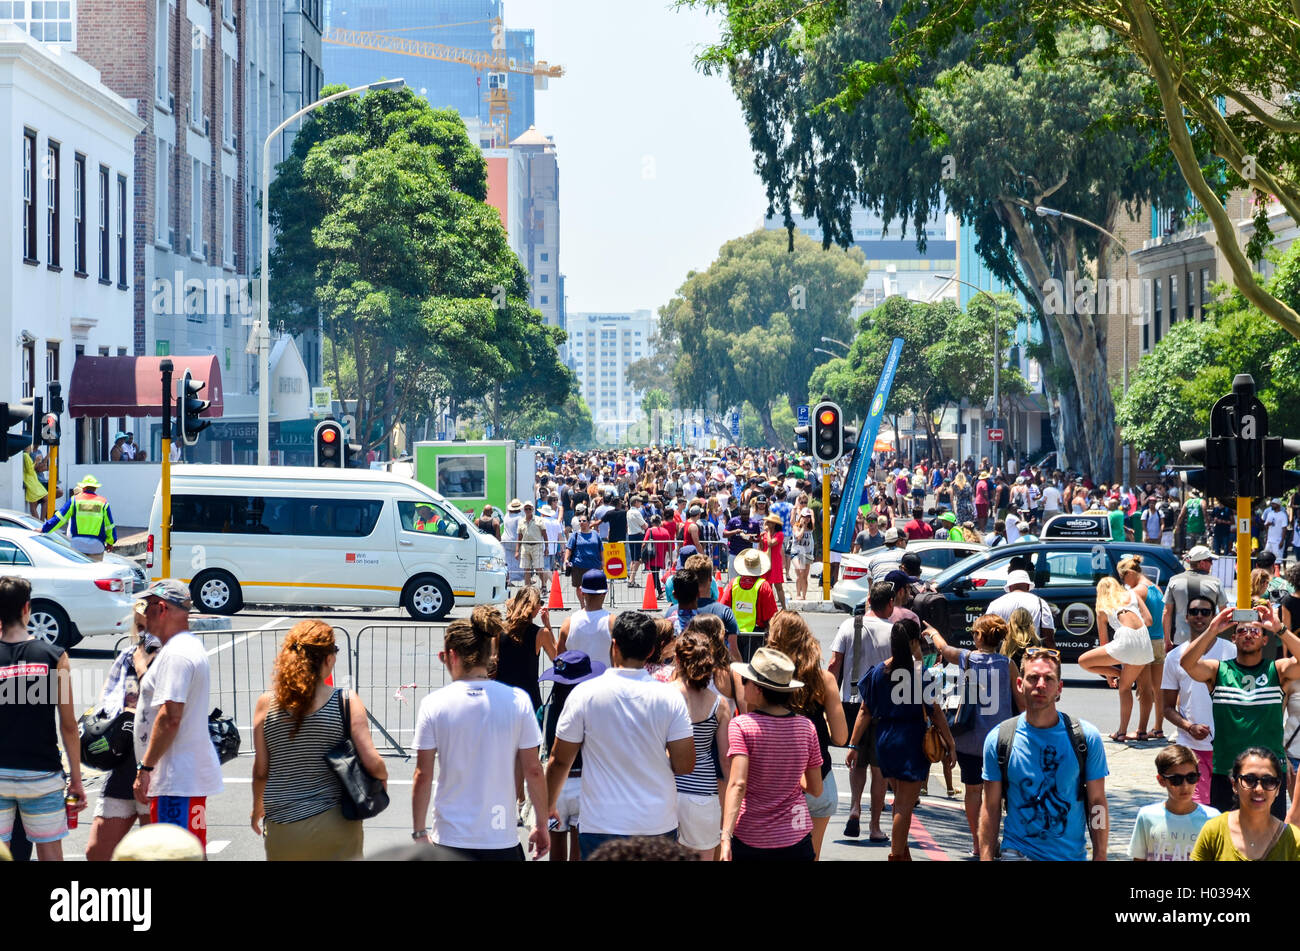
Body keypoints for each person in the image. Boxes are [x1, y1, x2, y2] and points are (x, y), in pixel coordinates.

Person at [546, 611, 694, 859]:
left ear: (613, 646)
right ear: (650, 652)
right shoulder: (670, 697)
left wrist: (548, 805)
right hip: (657, 820)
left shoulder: (585, 694)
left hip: (601, 822)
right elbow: (685, 763)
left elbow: (560, 759)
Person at [412, 607, 548, 861]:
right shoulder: (517, 700)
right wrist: (540, 823)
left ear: (452, 656)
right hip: (500, 836)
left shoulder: (435, 703)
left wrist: (419, 831)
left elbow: (423, 774)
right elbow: (533, 769)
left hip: (450, 836)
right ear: (490, 654)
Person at [251, 620, 387, 860]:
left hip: (282, 824)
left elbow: (261, 770)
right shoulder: (345, 701)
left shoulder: (266, 703)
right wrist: (383, 778)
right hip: (335, 821)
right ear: (328, 658)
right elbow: (372, 761)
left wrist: (256, 809)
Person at [980, 647, 1109, 861]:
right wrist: (985, 856)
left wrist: (1101, 855)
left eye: (1048, 679)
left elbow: (1097, 802)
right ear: (1020, 685)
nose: (1041, 685)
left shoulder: (1086, 738)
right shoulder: (999, 739)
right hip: (1017, 852)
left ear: (1059, 688)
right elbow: (991, 806)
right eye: (1033, 678)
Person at [848, 618, 955, 860]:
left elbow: (865, 710)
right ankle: (896, 855)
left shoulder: (878, 671)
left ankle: (902, 852)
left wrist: (853, 745)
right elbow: (936, 712)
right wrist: (950, 742)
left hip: (885, 739)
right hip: (911, 740)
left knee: (900, 802)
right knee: (905, 806)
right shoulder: (920, 673)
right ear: (915, 642)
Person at [1181, 604, 1298, 819]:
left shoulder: (1277, 671)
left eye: (1255, 630)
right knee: (1226, 840)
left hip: (1270, 774)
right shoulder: (1218, 670)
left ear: (1265, 639)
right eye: (1242, 631)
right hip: (1227, 771)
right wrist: (1212, 629)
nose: (1248, 635)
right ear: (1233, 638)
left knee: (1270, 843)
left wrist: (1279, 628)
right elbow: (1187, 663)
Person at [132, 580, 224, 849]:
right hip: (182, 777)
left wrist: (145, 768)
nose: (142, 613)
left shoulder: (177, 654)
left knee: (175, 853)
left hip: (175, 779)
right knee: (190, 850)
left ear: (161, 608)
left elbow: (171, 717)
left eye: (145, 606)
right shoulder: (182, 647)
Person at [0, 576, 85, 860]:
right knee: (51, 855)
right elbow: (69, 725)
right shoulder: (54, 656)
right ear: (27, 609)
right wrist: (76, 779)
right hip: (42, 776)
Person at [930, 614, 1021, 855]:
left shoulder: (966, 658)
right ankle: (992, 840)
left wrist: (931, 631)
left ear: (979, 637)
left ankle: (977, 842)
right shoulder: (1008, 664)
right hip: (1000, 742)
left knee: (972, 791)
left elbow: (942, 647)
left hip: (969, 739)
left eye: (974, 633)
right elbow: (1021, 704)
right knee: (995, 793)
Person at [720, 647, 823, 861]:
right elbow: (815, 788)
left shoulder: (742, 726)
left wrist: (725, 838)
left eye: (746, 681)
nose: (742, 684)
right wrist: (788, 777)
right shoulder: (806, 727)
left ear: (758, 689)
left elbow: (738, 784)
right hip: (796, 835)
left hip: (751, 835)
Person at [765, 611, 847, 859]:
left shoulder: (766, 678)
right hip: (819, 782)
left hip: (776, 784)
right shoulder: (824, 680)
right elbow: (841, 737)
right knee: (811, 855)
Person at [85, 602, 159, 861]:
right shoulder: (127, 657)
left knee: (159, 853)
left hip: (157, 765)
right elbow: (108, 702)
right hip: (124, 760)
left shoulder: (173, 658)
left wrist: (143, 667)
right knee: (97, 852)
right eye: (139, 626)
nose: (144, 633)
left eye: (149, 626)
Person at [1162, 596, 1237, 806]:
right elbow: (1166, 707)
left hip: (1227, 747)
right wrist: (1188, 726)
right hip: (1191, 746)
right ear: (1186, 617)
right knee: (1198, 808)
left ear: (1213, 617)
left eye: (1205, 612)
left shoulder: (1232, 652)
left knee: (1227, 809)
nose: (1199, 616)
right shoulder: (1174, 657)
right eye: (1194, 612)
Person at [671, 625, 733, 860]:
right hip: (703, 796)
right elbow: (725, 762)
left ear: (678, 659)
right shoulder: (719, 704)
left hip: (667, 789)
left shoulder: (664, 695)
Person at [539, 651, 606, 863]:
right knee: (579, 851)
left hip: (555, 784)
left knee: (555, 849)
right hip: (585, 783)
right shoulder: (593, 711)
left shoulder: (546, 711)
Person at [1078, 576, 1154, 741]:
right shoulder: (1133, 595)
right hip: (1144, 638)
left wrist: (1109, 674)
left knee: (1083, 661)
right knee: (1142, 687)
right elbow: (1148, 620)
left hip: (1125, 638)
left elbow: (1104, 642)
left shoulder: (1103, 607)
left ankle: (1122, 731)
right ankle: (1137, 731)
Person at [1192, 747, 1300, 861]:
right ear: (1234, 785)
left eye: (1268, 781)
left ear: (1278, 788)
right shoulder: (1214, 831)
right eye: (1249, 779)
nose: (1259, 789)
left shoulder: (1293, 840)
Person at [1129, 744, 1219, 861]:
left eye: (1191, 777)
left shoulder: (1212, 818)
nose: (1185, 785)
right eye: (1176, 779)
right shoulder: (1147, 816)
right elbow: (1139, 858)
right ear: (1161, 781)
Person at [495, 587, 557, 712]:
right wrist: (548, 626)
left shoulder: (499, 629)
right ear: (534, 606)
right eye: (540, 603)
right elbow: (557, 657)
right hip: (529, 699)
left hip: (502, 696)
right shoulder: (540, 633)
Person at [1163, 545, 1227, 649]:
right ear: (1202, 563)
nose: (1211, 564)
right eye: (1210, 561)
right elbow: (1224, 613)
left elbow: (1166, 613)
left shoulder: (1174, 581)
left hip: (1180, 640)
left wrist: (1167, 639)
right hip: (1207, 641)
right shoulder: (1215, 583)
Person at [720, 548, 779, 661]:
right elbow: (771, 616)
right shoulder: (763, 586)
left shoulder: (734, 583)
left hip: (734, 634)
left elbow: (723, 608)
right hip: (756, 635)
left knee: (735, 668)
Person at [41, 474, 116, 560]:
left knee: (78, 572)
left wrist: (44, 529)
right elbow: (109, 526)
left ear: (83, 488)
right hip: (96, 546)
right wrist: (110, 542)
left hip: (78, 546)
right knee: (95, 572)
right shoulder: (103, 502)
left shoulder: (74, 500)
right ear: (96, 488)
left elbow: (60, 518)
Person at [987, 570, 1056, 648]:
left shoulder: (995, 604)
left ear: (1009, 587)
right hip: (1032, 655)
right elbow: (1048, 637)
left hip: (1003, 655)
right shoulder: (1040, 603)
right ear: (1028, 586)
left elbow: (987, 633)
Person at [556, 570, 612, 665]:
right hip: (605, 678)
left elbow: (559, 660)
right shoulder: (613, 622)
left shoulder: (568, 623)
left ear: (581, 592)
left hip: (577, 678)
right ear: (605, 592)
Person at [562, 512, 604, 591]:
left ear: (588, 523)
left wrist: (603, 561)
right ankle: (583, 603)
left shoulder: (596, 534)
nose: (581, 522)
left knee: (593, 588)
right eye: (580, 521)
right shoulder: (575, 535)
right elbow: (569, 549)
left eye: (584, 521)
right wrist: (566, 560)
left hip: (594, 565)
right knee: (580, 588)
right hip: (579, 566)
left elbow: (600, 549)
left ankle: (589, 603)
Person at [760, 513, 787, 610]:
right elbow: (762, 547)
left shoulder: (780, 534)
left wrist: (767, 533)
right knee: (767, 587)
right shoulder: (765, 534)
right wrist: (761, 538)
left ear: (774, 524)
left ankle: (784, 608)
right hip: (766, 563)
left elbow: (771, 544)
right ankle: (770, 609)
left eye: (769, 521)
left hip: (775, 563)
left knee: (778, 586)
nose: (766, 523)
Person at [22, 444, 47, 518]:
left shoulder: (27, 455)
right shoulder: (25, 455)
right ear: (27, 447)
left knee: (42, 499)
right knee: (33, 505)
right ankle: (39, 523)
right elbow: (29, 470)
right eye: (29, 446)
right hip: (30, 482)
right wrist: (36, 461)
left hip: (34, 481)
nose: (30, 448)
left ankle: (40, 522)